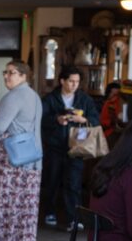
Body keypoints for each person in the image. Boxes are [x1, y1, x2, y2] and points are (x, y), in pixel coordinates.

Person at [0, 60, 43, 241]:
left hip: (9, 158)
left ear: (23, 75)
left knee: (6, 201)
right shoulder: (34, 96)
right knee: (24, 203)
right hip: (30, 157)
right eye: (5, 72)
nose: (6, 76)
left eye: (12, 72)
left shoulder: (14, 96)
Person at [41, 64, 100, 230]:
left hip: (77, 147)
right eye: (71, 81)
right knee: (52, 181)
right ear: (62, 81)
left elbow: (96, 120)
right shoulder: (50, 99)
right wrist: (57, 119)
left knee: (73, 183)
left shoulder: (85, 99)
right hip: (54, 146)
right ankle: (50, 211)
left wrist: (83, 120)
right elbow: (40, 119)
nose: (75, 85)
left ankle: (74, 218)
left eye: (77, 82)